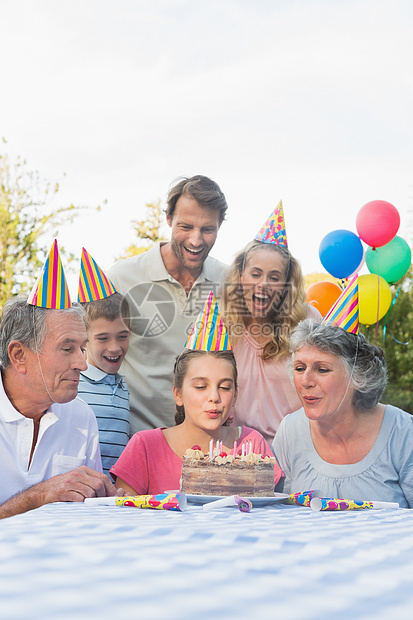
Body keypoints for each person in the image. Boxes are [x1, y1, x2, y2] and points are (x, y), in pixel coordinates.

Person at [108, 175, 229, 434]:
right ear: (168, 219)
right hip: (135, 440)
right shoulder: (122, 278)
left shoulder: (230, 281)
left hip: (206, 446)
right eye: (185, 226)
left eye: (208, 230)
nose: (196, 240)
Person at [272, 318, 413, 508]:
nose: (305, 381)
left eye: (322, 369)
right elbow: (277, 509)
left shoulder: (403, 431)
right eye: (299, 368)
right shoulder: (290, 431)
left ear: (358, 376)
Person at [0, 297, 116, 519]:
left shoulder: (81, 416)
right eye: (67, 348)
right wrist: (37, 497)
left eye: (82, 348)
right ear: (19, 355)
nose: (82, 364)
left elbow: (89, 514)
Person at [110, 349, 283, 495]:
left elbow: (269, 511)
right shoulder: (145, 447)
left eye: (224, 387)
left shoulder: (252, 444)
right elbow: (125, 513)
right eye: (201, 386)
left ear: (235, 395)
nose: (214, 397)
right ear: (178, 394)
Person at [223, 203, 321, 444]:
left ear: (287, 284)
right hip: (240, 453)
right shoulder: (223, 326)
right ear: (241, 276)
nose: (263, 284)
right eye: (255, 274)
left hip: (299, 449)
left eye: (274, 277)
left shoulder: (307, 320)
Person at [78, 292, 131, 476]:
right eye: (103, 338)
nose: (115, 347)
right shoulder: (74, 386)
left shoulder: (123, 388)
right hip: (80, 496)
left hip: (114, 496)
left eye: (122, 336)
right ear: (83, 339)